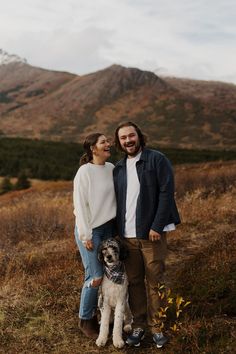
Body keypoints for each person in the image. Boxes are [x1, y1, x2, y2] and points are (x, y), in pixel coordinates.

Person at [113, 121, 181, 349]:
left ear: (139, 136)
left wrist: (157, 226)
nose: (128, 141)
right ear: (119, 142)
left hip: (151, 234)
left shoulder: (156, 159)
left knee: (154, 280)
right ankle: (139, 325)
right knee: (134, 283)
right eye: (123, 138)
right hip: (126, 237)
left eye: (131, 136)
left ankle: (157, 326)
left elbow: (166, 193)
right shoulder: (119, 168)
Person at [73, 133, 116, 339]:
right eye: (103, 142)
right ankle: (86, 319)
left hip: (109, 229)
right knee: (96, 276)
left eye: (108, 141)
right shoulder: (85, 172)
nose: (108, 144)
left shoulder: (111, 168)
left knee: (109, 275)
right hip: (91, 230)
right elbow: (80, 206)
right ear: (93, 149)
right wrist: (85, 235)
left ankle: (104, 315)